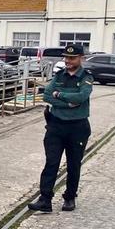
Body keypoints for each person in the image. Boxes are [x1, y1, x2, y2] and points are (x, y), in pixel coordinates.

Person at [28, 43, 94, 213]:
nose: (67, 61)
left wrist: (59, 94)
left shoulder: (86, 77)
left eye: (72, 58)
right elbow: (47, 95)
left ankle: (70, 197)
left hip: (77, 127)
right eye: (66, 57)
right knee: (51, 163)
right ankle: (45, 199)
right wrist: (67, 103)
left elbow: (81, 97)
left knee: (73, 164)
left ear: (81, 58)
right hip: (56, 126)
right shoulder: (59, 75)